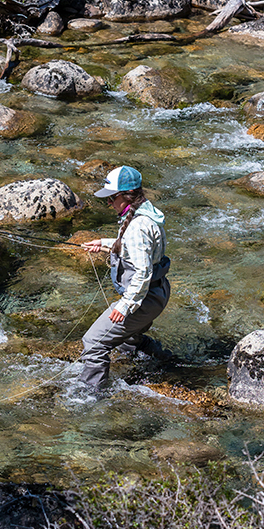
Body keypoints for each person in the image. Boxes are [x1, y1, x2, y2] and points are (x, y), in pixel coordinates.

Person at [80, 165, 172, 390]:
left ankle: (89, 396)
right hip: (157, 293)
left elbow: (142, 272)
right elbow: (138, 249)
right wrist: (104, 243)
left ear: (127, 195)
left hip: (144, 299)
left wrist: (124, 306)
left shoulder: (138, 226)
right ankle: (165, 362)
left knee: (93, 343)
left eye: (111, 198)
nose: (109, 203)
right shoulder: (144, 213)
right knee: (128, 341)